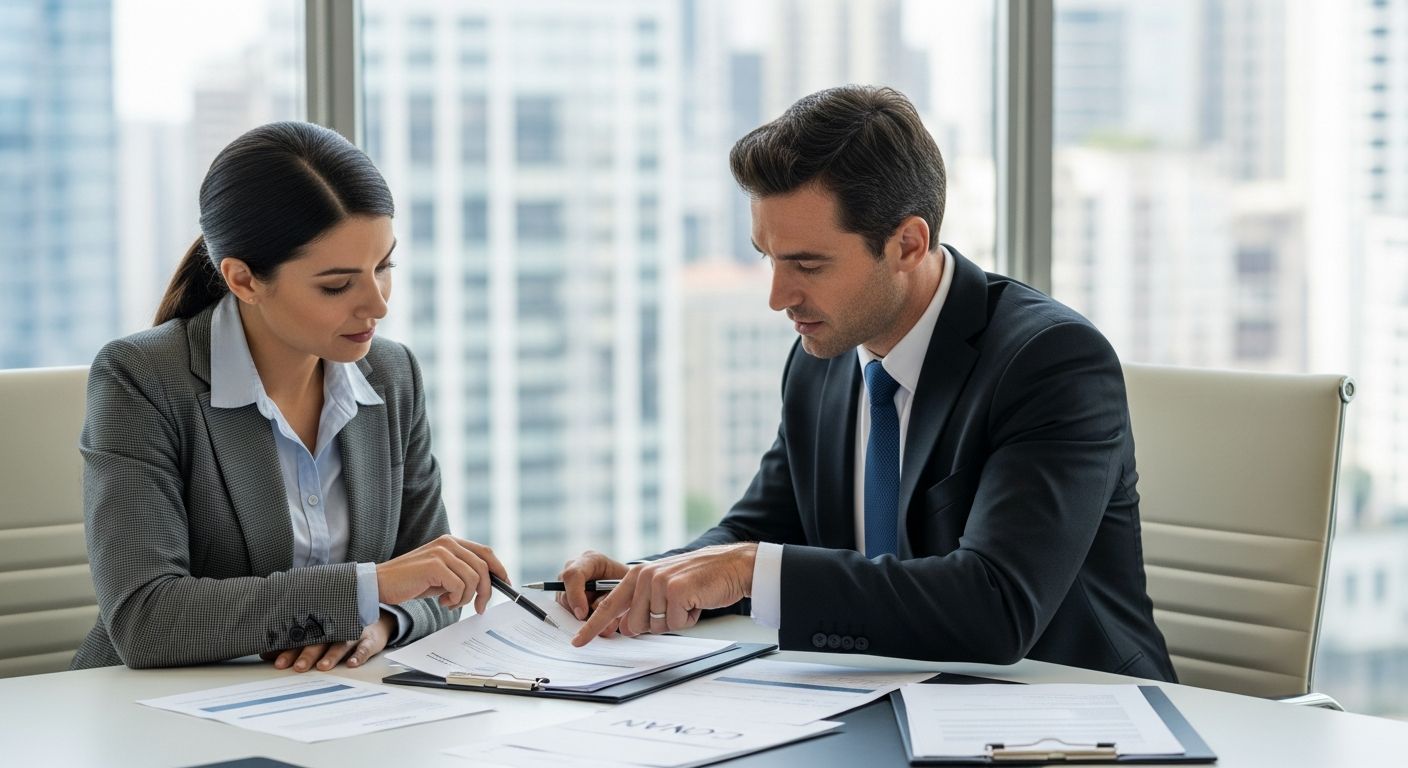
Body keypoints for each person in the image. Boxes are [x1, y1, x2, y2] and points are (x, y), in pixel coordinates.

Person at [560, 86, 1176, 681]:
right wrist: (650, 578)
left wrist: (747, 568)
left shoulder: (1049, 361)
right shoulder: (820, 357)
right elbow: (763, 528)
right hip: (882, 696)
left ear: (908, 243)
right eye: (768, 258)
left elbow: (995, 606)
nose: (778, 297)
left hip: (1068, 714)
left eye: (808, 264)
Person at [73, 121, 505, 671]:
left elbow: (430, 575)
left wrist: (382, 620)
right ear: (244, 280)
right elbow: (147, 620)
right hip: (157, 714)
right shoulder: (141, 379)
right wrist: (366, 588)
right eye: (337, 285)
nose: (377, 304)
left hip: (333, 704)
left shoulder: (392, 374)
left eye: (384, 266)